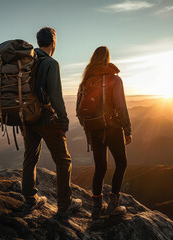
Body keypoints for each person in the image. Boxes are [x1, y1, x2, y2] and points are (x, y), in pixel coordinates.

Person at [22, 27, 82, 215]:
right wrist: (63, 121)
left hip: (27, 116)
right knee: (64, 161)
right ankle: (65, 204)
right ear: (53, 42)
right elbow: (56, 96)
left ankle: (30, 200)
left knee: (30, 158)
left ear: (38, 41)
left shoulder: (27, 62)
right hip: (45, 117)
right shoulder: (51, 63)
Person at [76, 46, 132, 219]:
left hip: (94, 130)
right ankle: (113, 205)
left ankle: (96, 208)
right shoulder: (114, 79)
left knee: (100, 167)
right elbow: (121, 106)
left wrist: (89, 128)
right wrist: (127, 130)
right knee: (121, 164)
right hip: (113, 128)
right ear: (107, 58)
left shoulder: (86, 80)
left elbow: (79, 111)